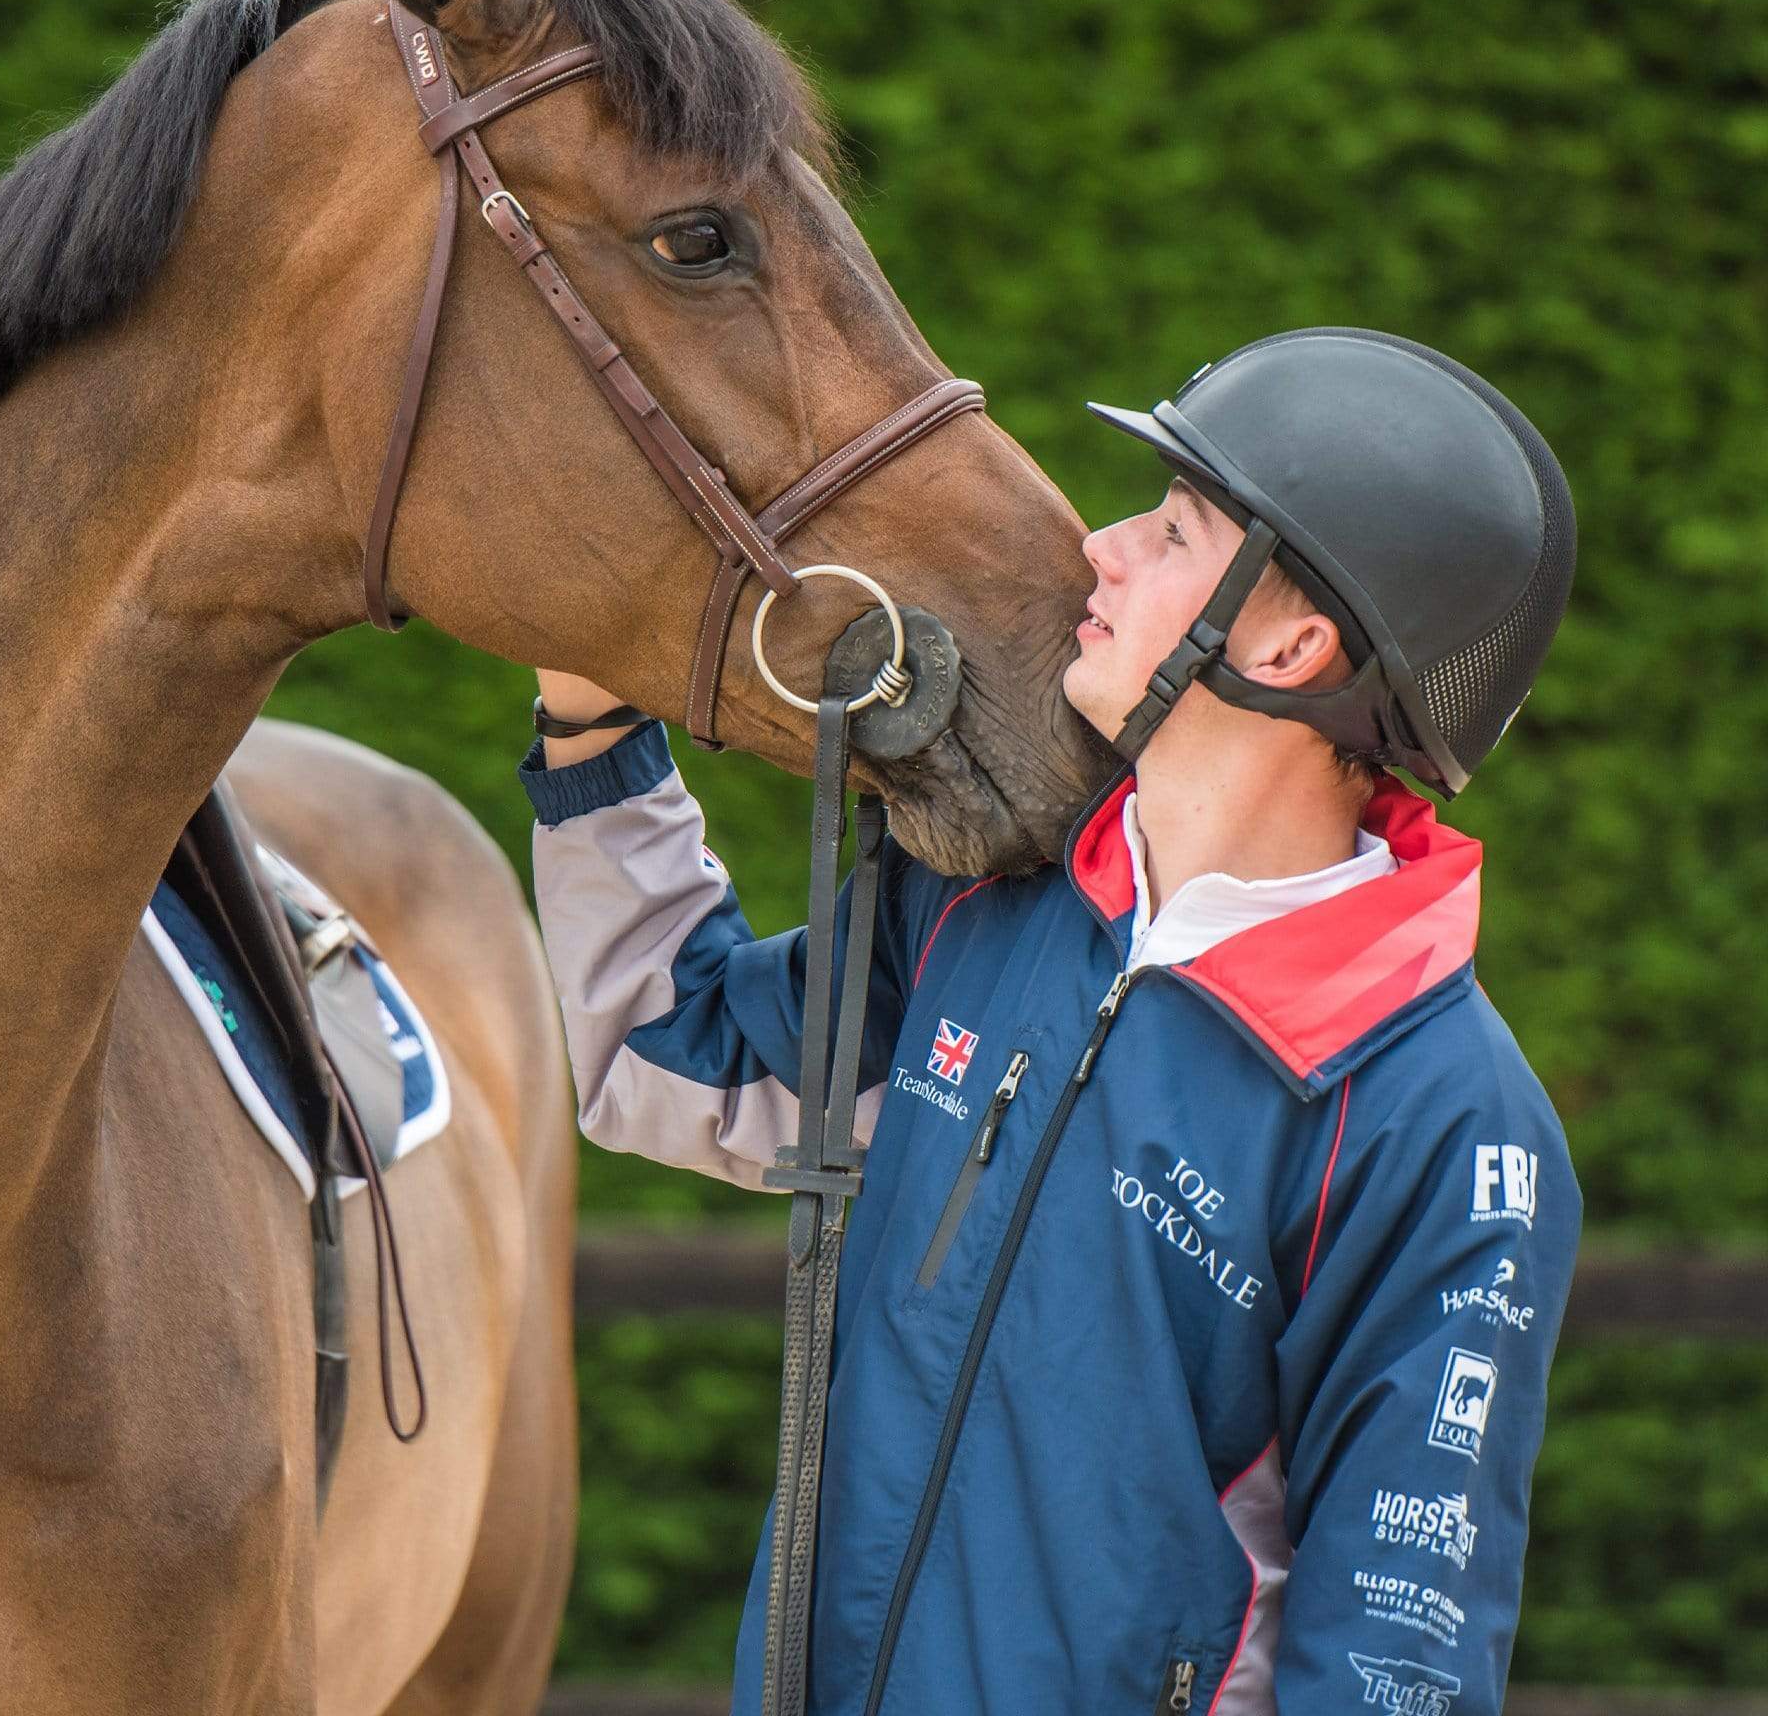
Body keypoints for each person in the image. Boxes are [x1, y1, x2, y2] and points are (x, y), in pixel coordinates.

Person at [520, 326, 1580, 1716]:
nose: (1103, 546)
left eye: (1175, 528)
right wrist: (591, 713)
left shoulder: (1446, 1122)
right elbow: (674, 1053)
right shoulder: (990, 894)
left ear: (1289, 640)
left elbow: (1396, 1667)